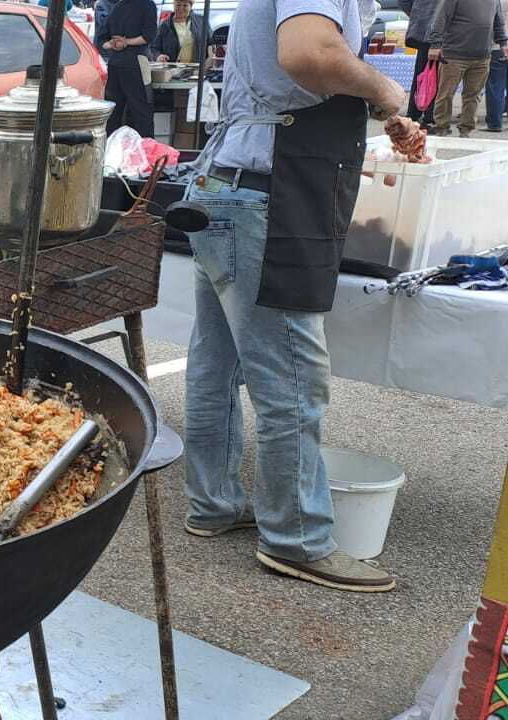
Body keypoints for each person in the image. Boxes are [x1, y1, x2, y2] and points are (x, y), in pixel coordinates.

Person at [180, 0, 406, 591]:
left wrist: (373, 104)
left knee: (217, 364)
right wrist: (386, 89)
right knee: (292, 376)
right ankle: (297, 538)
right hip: (265, 195)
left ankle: (215, 503)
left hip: (227, 185)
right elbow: (309, 54)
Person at [425, 0, 508, 136]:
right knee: (445, 95)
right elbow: (440, 18)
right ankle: (442, 128)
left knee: (473, 96)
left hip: (482, 56)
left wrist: (503, 43)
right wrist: (435, 44)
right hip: (454, 55)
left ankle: (466, 130)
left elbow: (498, 22)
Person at [95, 0, 158, 136]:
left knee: (113, 113)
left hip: (114, 64)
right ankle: (146, 151)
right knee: (142, 112)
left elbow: (100, 41)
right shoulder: (147, 4)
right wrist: (126, 42)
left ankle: (111, 149)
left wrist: (113, 44)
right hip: (137, 63)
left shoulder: (117, 7)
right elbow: (149, 36)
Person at [402, 0, 442, 125]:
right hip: (432, 30)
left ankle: (415, 113)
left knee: (423, 74)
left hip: (424, 28)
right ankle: (428, 116)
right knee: (431, 75)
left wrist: (416, 12)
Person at [153, 0, 212, 65]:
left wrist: (210, 57)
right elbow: (154, 47)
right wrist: (158, 56)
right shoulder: (165, 25)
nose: (181, 8)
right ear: (173, 5)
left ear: (191, 6)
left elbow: (211, 42)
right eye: (178, 5)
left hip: (197, 69)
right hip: (173, 70)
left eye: (185, 5)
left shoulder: (201, 21)